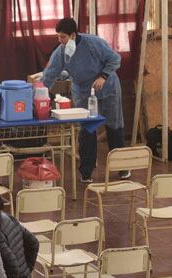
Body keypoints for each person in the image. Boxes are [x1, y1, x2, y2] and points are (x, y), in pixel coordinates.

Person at [35, 17, 125, 183]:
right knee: (87, 130)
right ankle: (86, 171)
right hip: (84, 92)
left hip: (107, 88)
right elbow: (51, 74)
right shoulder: (61, 52)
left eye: (63, 37)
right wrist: (39, 92)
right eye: (58, 37)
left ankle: (121, 167)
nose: (60, 40)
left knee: (114, 126)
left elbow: (115, 59)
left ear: (73, 35)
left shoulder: (94, 43)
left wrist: (103, 76)